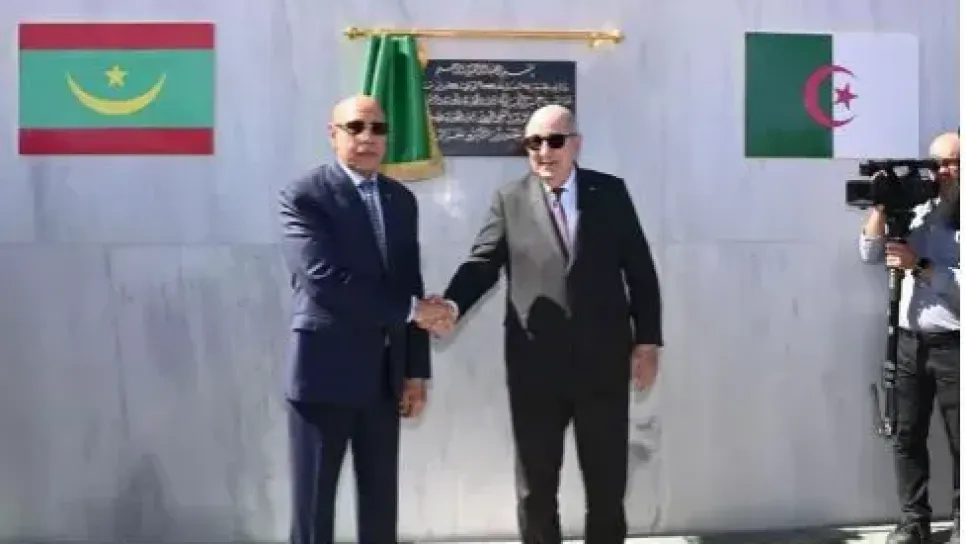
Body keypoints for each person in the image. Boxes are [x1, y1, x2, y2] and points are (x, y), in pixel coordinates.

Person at [433, 104, 663, 544]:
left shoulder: (610, 194)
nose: (543, 151)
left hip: (603, 365)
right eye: (533, 142)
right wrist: (451, 304)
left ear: (576, 145)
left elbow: (640, 271)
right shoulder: (510, 200)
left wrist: (648, 342)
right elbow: (482, 264)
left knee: (607, 487)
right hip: (535, 368)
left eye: (554, 141)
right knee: (536, 488)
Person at [278, 95, 451, 544]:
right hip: (323, 377)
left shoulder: (400, 200)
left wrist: (414, 372)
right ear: (332, 134)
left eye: (378, 129)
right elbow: (324, 280)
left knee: (380, 510)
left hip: (382, 381)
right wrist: (415, 310)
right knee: (314, 513)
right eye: (355, 127)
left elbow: (409, 282)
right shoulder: (305, 196)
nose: (367, 138)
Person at [859, 131, 960, 544]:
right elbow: (870, 252)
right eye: (937, 163)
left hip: (955, 345)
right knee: (906, 435)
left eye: (953, 163)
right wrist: (881, 205)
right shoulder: (916, 211)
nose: (943, 172)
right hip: (908, 342)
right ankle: (913, 522)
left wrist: (919, 265)